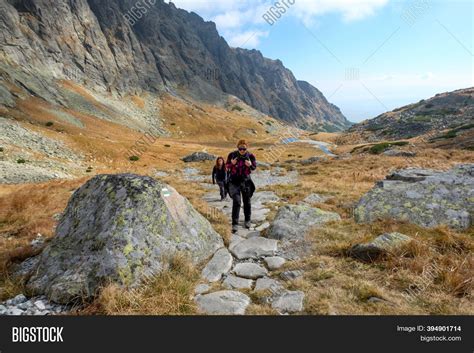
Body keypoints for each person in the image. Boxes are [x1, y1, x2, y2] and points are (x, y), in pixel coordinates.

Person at [226, 139, 257, 233]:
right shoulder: (232, 155)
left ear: (247, 148)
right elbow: (226, 166)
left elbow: (254, 167)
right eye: (240, 148)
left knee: (247, 202)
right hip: (234, 181)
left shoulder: (251, 156)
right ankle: (235, 224)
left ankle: (247, 220)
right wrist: (232, 164)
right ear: (237, 147)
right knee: (237, 201)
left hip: (246, 181)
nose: (242, 150)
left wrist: (250, 165)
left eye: (244, 148)